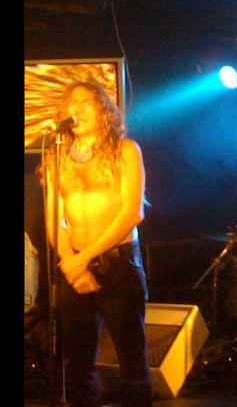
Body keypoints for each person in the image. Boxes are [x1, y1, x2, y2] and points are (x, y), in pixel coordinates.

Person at [40, 80, 153, 407]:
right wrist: (72, 263)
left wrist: (84, 258)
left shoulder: (125, 150)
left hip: (118, 265)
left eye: (84, 101)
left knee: (132, 359)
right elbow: (54, 220)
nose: (75, 109)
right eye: (70, 103)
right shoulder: (57, 157)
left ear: (103, 109)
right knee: (78, 361)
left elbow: (132, 213)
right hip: (74, 266)